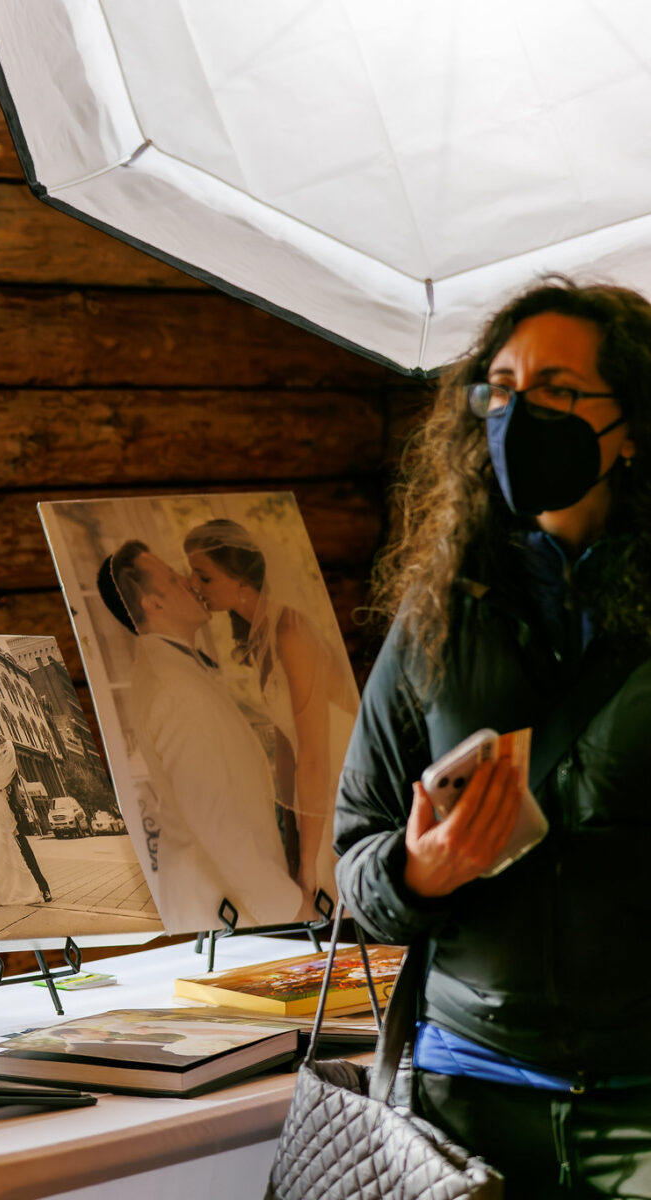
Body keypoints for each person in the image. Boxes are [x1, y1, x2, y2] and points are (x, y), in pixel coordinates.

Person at [336, 280, 651, 1196]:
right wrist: (419, 872)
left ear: (630, 425)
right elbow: (357, 848)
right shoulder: (439, 614)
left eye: (557, 388)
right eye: (503, 388)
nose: (520, 412)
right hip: (466, 1104)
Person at [97, 541, 309, 929]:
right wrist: (290, 907)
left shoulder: (177, 671)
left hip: (231, 904)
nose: (191, 583)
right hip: (222, 909)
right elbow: (214, 819)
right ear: (153, 605)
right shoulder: (174, 689)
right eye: (175, 579)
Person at [184, 518, 359, 901]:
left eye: (204, 577)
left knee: (324, 891)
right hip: (315, 788)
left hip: (340, 781)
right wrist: (290, 832)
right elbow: (287, 742)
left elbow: (313, 753)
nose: (193, 586)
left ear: (241, 580)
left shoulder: (292, 632)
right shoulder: (262, 636)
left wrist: (308, 862)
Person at [0, 726, 53, 906]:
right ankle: (24, 888)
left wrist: (8, 792)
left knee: (24, 851)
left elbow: (11, 775)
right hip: (3, 811)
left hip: (12, 809)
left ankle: (43, 888)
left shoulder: (7, 749)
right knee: (11, 854)